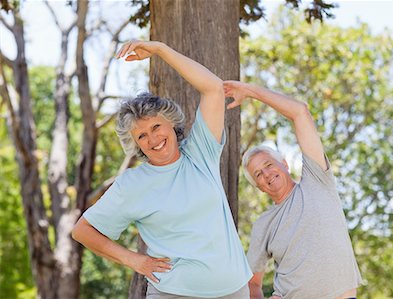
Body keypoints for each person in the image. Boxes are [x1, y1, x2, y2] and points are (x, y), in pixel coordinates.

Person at [72, 41, 252, 299]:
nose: (153, 139)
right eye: (142, 136)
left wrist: (159, 50)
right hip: (173, 292)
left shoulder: (200, 152)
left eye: (156, 127)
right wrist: (134, 260)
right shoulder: (132, 184)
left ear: (171, 123)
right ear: (136, 145)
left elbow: (213, 88)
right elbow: (82, 230)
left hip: (233, 289)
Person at [224, 80, 363, 299]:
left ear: (285, 164)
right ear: (259, 187)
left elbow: (300, 112)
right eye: (258, 174)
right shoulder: (265, 224)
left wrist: (250, 91)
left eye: (269, 165)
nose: (267, 174)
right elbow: (253, 284)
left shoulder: (317, 181)